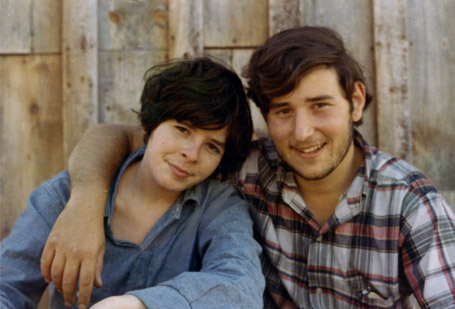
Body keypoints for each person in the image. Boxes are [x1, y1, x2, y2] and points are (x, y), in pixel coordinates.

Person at [40, 26, 455, 308]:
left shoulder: (412, 207)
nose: (302, 131)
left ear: (356, 101)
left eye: (320, 106)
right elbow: (121, 137)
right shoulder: (246, 168)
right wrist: (85, 201)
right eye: (283, 111)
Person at [0, 58, 265, 308]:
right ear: (148, 126)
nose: (191, 154)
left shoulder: (219, 206)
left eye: (212, 147)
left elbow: (242, 286)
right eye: (182, 130)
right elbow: (7, 286)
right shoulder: (63, 196)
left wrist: (139, 304)